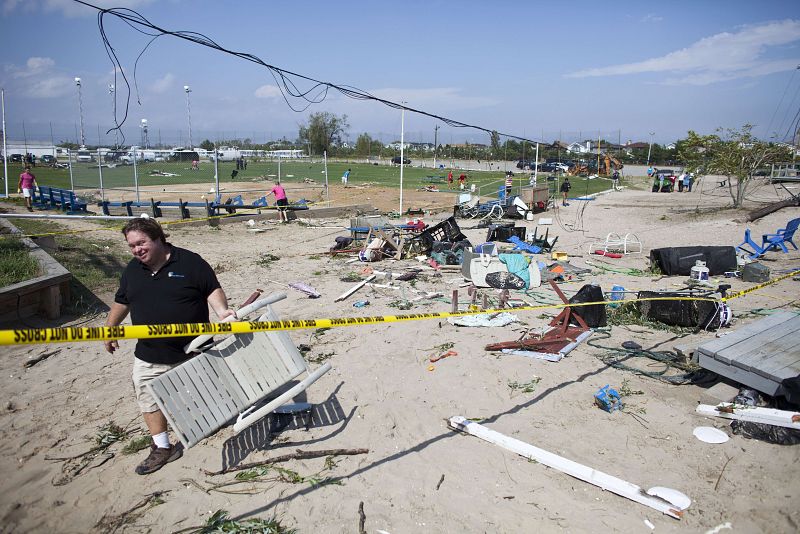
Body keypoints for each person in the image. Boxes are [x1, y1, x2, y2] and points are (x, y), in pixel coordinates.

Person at [104, 217, 233, 475]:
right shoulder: (132, 270)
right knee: (147, 398)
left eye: (142, 243)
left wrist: (223, 312)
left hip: (194, 350)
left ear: (159, 238)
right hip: (151, 354)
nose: (137, 250)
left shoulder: (190, 262)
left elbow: (212, 289)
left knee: (217, 396)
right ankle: (162, 447)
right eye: (132, 246)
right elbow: (122, 300)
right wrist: (110, 328)